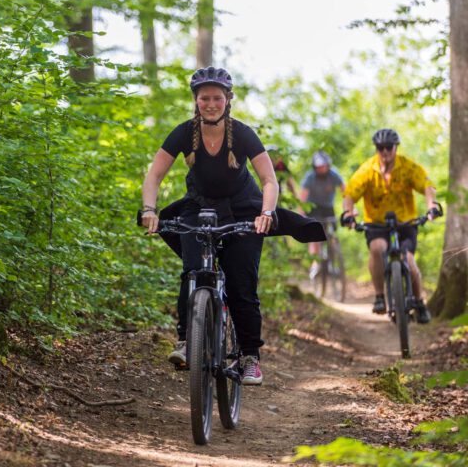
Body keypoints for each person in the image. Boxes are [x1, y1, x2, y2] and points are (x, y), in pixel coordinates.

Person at [140, 67, 325, 385]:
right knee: (192, 272)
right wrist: (149, 209)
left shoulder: (242, 133)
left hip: (244, 211)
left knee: (242, 285)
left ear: (228, 100)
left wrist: (267, 212)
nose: (210, 104)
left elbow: (269, 179)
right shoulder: (184, 132)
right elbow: (154, 175)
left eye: (217, 98)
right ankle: (187, 342)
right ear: (196, 101)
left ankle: (250, 356)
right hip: (198, 209)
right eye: (204, 98)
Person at [341, 128, 438, 323]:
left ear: (396, 147)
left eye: (388, 147)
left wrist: (432, 206)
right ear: (376, 148)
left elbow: (426, 185)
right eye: (380, 148)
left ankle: (419, 302)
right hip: (376, 224)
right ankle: (379, 296)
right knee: (378, 248)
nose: (384, 151)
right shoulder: (367, 170)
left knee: (409, 262)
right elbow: (350, 194)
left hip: (405, 223)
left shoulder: (408, 167)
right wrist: (348, 213)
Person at [300, 150, 345, 278]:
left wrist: (348, 208)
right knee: (315, 235)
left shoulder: (334, 175)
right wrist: (301, 214)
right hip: (313, 207)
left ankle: (334, 260)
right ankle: (315, 264)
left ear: (328, 166)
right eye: (319, 167)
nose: (322, 169)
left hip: (328, 207)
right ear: (315, 167)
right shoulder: (310, 177)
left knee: (333, 234)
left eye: (324, 166)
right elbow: (303, 197)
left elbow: (345, 191)